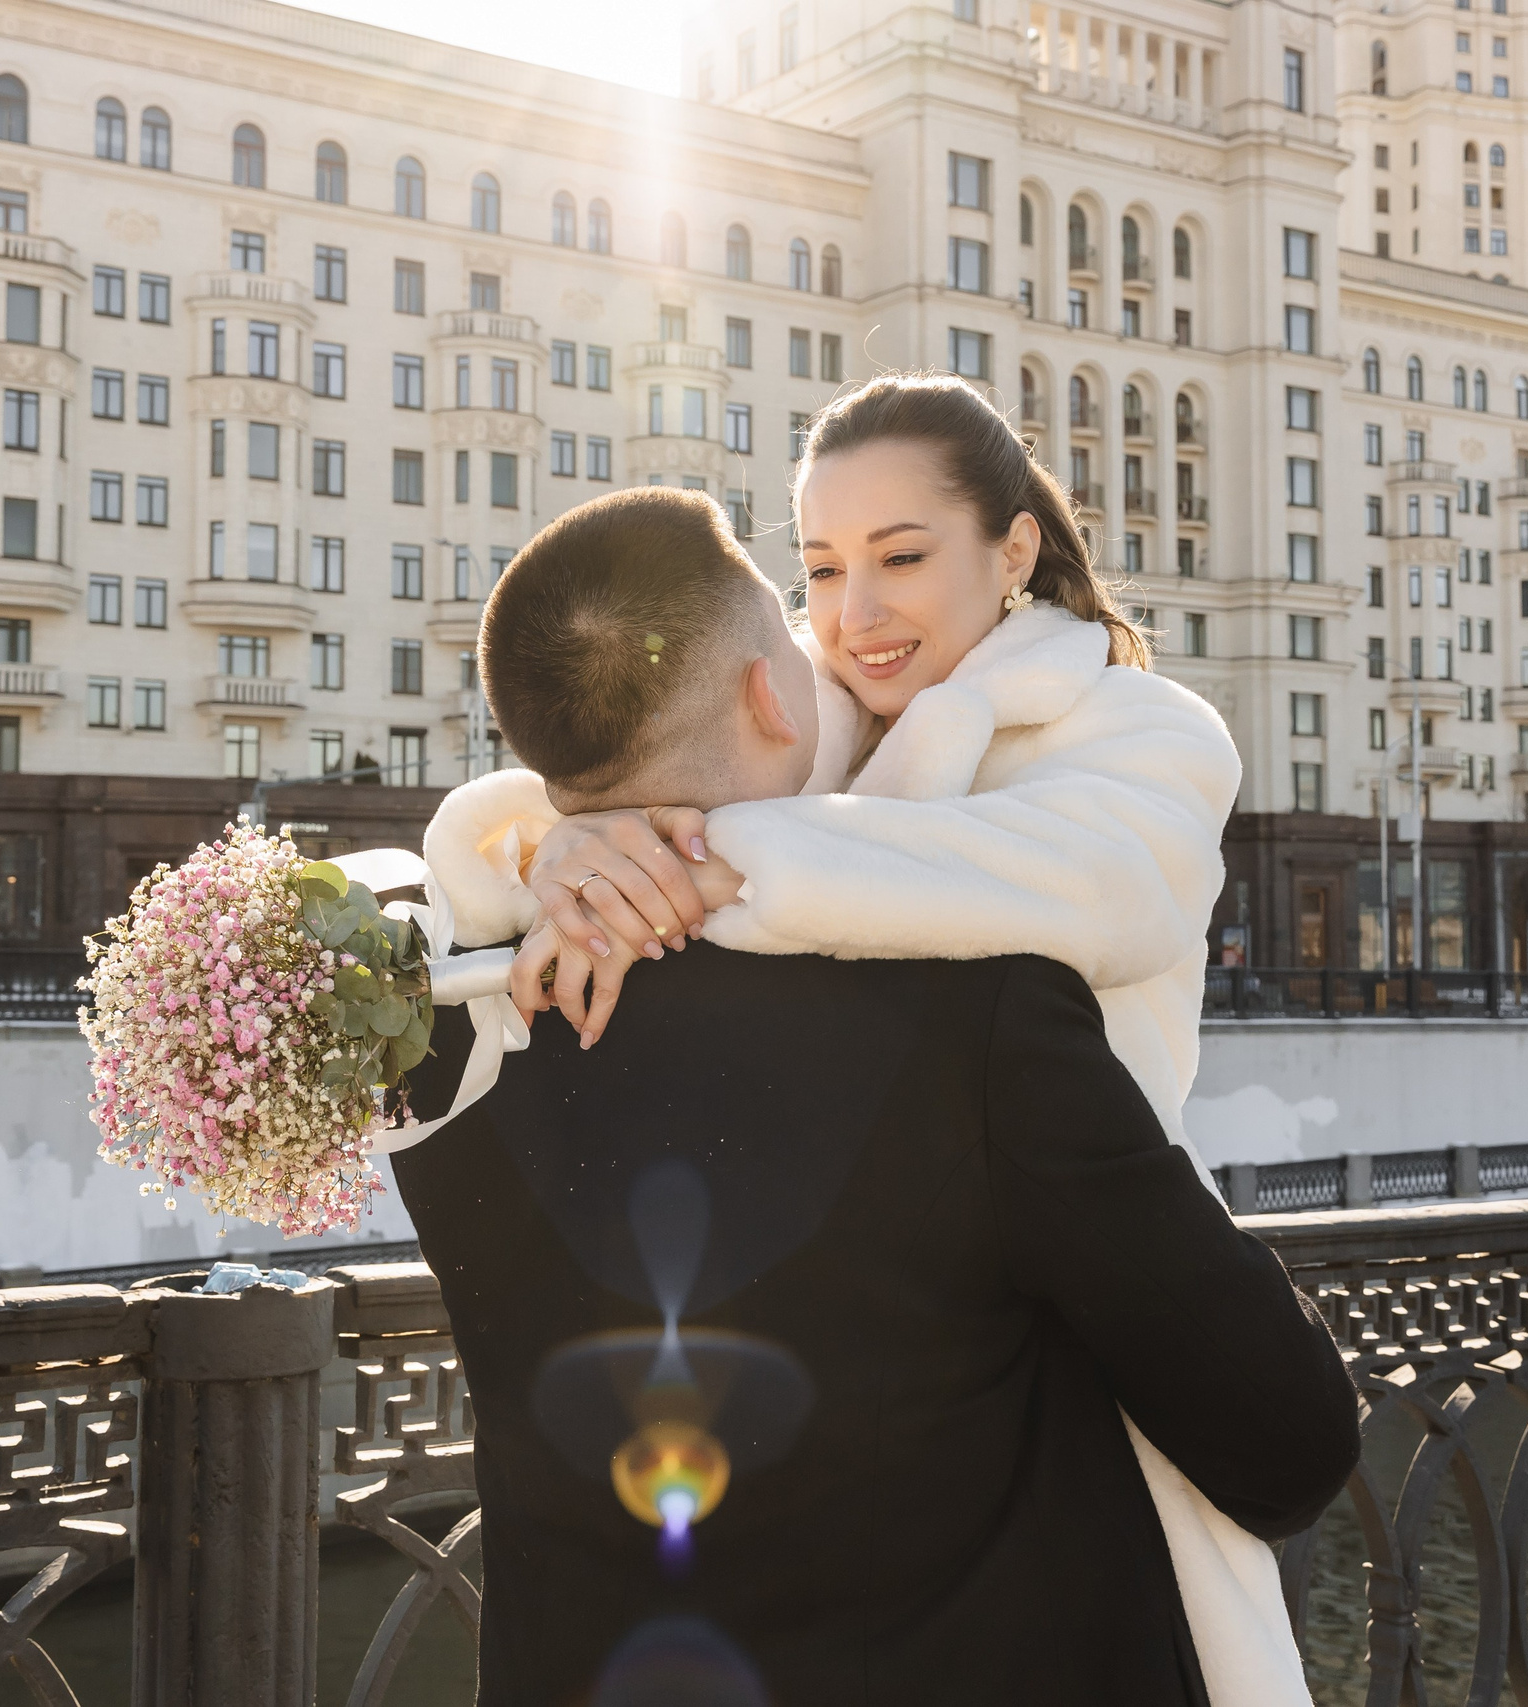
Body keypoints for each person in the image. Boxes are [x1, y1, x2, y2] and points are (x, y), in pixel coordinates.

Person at [421, 378, 1307, 1706]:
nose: (854, 613)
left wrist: (694, 856)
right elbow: (567, 778)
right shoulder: (815, 714)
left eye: (902, 558)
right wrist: (569, 842)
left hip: (1100, 1301)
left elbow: (1101, 892)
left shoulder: (1136, 728)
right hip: (890, 1338)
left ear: (1013, 550)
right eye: (821, 569)